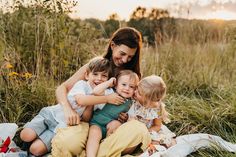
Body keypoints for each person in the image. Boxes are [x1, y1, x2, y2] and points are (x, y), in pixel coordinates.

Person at [51, 27, 151, 157]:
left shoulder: (132, 75)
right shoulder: (97, 65)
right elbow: (62, 88)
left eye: (130, 57)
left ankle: (92, 153)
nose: (125, 60)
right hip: (86, 122)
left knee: (139, 131)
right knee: (67, 143)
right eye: (122, 53)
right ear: (112, 45)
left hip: (113, 128)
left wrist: (124, 119)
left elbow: (136, 106)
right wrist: (67, 109)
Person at [20, 58, 124, 156]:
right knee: (26, 135)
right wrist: (106, 99)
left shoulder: (104, 94)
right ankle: (23, 135)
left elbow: (86, 118)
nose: (99, 78)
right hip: (52, 115)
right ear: (87, 75)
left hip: (61, 126)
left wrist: (96, 99)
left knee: (35, 150)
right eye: (95, 74)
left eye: (104, 76)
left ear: (108, 79)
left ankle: (33, 141)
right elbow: (81, 100)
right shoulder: (82, 84)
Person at [86, 70, 139, 157]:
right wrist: (109, 82)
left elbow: (132, 118)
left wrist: (126, 118)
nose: (127, 88)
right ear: (116, 84)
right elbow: (95, 91)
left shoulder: (131, 103)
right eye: (124, 84)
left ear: (135, 89)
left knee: (116, 124)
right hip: (97, 124)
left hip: (111, 129)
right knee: (94, 133)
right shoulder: (110, 92)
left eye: (131, 87)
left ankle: (105, 149)